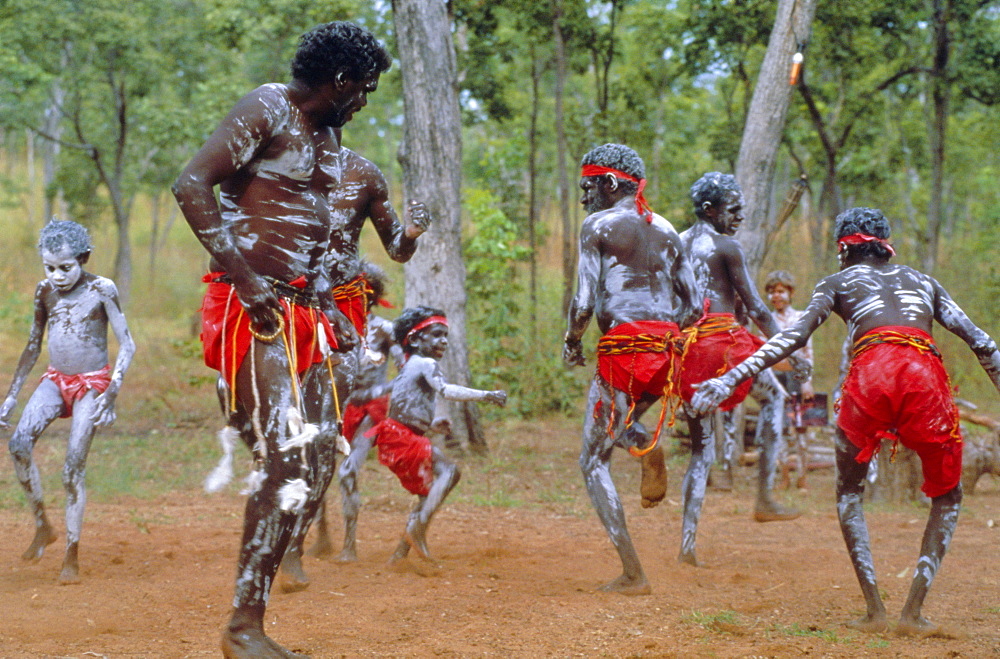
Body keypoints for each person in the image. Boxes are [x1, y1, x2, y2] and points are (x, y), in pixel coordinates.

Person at [171, 21, 391, 658]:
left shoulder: (330, 135)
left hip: (305, 311)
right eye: (366, 88)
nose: (365, 101)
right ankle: (243, 625)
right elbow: (191, 185)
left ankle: (252, 612)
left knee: (322, 455)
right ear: (341, 79)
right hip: (253, 308)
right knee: (291, 453)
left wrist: (328, 302)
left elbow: (315, 230)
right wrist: (245, 279)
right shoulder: (266, 107)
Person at [691, 207, 1000, 635]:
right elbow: (983, 342)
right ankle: (913, 612)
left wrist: (731, 378)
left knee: (850, 491)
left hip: (869, 376)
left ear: (842, 249)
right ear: (885, 245)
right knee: (947, 497)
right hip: (924, 376)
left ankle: (875, 610)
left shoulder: (837, 283)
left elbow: (792, 337)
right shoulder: (923, 282)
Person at [277, 131, 430, 591]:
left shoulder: (363, 173)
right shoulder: (278, 160)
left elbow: (397, 251)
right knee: (280, 432)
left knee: (323, 435)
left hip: (342, 313)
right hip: (283, 308)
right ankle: (276, 532)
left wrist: (413, 233)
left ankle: (293, 547)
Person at [563, 143, 700, 595]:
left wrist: (571, 342)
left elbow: (584, 301)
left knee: (591, 459)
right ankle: (642, 443)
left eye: (588, 187)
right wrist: (664, 337)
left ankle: (632, 573)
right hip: (665, 356)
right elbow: (695, 304)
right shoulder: (668, 230)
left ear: (609, 183)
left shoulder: (598, 225)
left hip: (623, 352)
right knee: (615, 428)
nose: (584, 198)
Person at [676, 172, 806, 566]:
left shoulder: (677, 244)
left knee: (701, 450)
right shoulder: (726, 247)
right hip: (726, 346)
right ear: (710, 210)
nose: (740, 217)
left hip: (689, 351)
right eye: (733, 211)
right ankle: (764, 496)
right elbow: (757, 307)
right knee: (776, 400)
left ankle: (687, 545)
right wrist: (791, 345)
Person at [1, 219, 135, 585]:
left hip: (92, 384)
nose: (58, 276)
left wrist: (112, 391)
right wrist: (11, 397)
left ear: (84, 258)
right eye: (50, 268)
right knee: (18, 445)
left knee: (71, 467)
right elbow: (33, 345)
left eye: (66, 267)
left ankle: (71, 553)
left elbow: (128, 343)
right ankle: (43, 524)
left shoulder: (102, 289)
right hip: (56, 379)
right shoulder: (44, 291)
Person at [366, 306, 506, 563]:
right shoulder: (425, 363)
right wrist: (486, 395)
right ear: (416, 339)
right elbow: (446, 390)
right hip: (401, 437)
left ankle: (399, 556)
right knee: (450, 472)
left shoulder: (411, 365)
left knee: (427, 494)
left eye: (445, 336)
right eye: (437, 334)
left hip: (396, 434)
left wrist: (431, 425)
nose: (443, 341)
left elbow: (405, 407)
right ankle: (417, 530)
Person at [303, 264, 404, 563]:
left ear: (370, 295)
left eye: (358, 294)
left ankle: (350, 545)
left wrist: (379, 394)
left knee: (347, 471)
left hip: (370, 411)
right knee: (318, 470)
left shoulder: (385, 329)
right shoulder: (332, 326)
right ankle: (322, 537)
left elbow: (406, 371)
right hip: (335, 407)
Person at [764, 270, 815, 489]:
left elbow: (808, 353)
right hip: (775, 379)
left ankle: (802, 477)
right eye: (772, 292)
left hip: (797, 377)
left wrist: (806, 380)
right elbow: (762, 354)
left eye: (781, 291)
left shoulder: (801, 318)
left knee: (801, 428)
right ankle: (783, 476)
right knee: (780, 428)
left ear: (790, 293)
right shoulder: (765, 321)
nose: (777, 296)